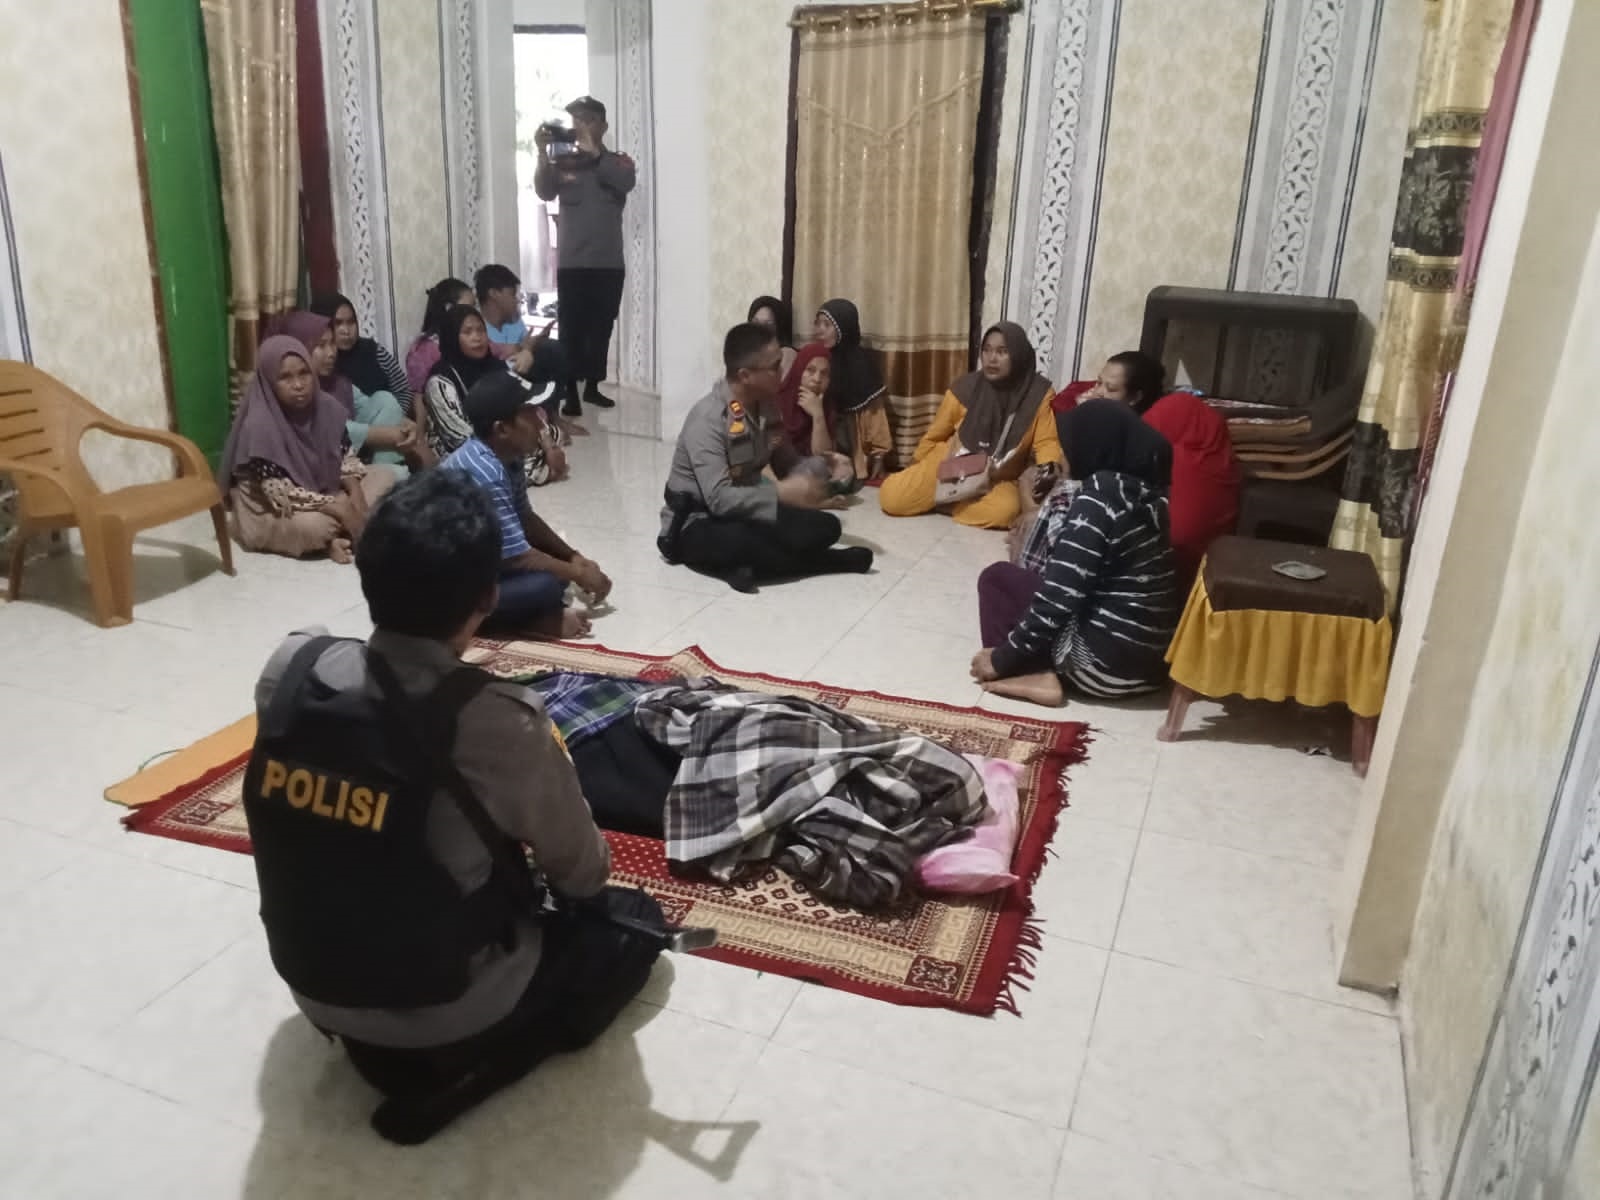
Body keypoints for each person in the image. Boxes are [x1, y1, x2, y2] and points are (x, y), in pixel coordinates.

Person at [245, 467, 666, 1144]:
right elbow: (582, 873)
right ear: (488, 598)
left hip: (313, 983)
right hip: (448, 1002)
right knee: (634, 925)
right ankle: (480, 1065)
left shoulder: (291, 671)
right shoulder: (497, 720)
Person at [971, 399, 1180, 706]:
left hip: (1098, 668)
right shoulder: (1149, 495)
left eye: (1066, 446)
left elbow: (1059, 595)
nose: (1062, 456)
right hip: (1150, 670)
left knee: (997, 579)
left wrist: (1004, 659)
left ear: (1094, 447)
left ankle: (1034, 673)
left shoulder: (1099, 498)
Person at [658, 322, 874, 592]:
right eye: (774, 367)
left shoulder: (766, 406)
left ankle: (743, 567)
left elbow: (789, 463)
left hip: (748, 511)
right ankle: (827, 562)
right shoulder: (708, 419)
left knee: (826, 527)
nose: (782, 371)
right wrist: (781, 493)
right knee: (741, 542)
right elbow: (720, 500)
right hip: (696, 520)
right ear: (745, 375)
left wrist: (826, 466)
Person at [441, 373, 609, 638]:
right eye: (529, 414)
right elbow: (517, 557)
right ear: (502, 429)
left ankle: (528, 619)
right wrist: (578, 573)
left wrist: (573, 557)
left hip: (476, 567)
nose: (541, 422)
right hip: (440, 586)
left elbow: (525, 517)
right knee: (546, 585)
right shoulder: (486, 472)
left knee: (554, 576)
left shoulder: (508, 456)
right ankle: (521, 624)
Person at [220, 335, 397, 562]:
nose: (298, 385)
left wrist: (356, 494)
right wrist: (341, 508)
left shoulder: (326, 408)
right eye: (285, 377)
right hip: (274, 508)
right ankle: (333, 538)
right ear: (269, 381)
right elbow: (285, 495)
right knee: (315, 527)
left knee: (385, 477)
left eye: (304, 373)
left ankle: (338, 537)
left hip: (325, 489)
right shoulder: (259, 426)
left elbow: (345, 457)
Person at [1072, 350, 1240, 586]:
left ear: (1135, 397)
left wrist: (1087, 417)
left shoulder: (1170, 412)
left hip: (1178, 559)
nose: (1097, 392)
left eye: (1110, 389)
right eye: (1098, 382)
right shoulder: (1161, 418)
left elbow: (1098, 472)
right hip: (1203, 552)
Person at [879, 322, 1061, 530]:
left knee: (1006, 512)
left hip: (999, 475)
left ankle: (950, 502)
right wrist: (917, 465)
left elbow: (1046, 442)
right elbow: (935, 434)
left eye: (1002, 352)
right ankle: (956, 496)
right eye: (987, 350)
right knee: (891, 498)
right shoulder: (965, 388)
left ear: (1018, 355)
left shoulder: (1037, 394)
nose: (992, 359)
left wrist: (1048, 470)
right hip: (952, 464)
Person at [535, 95, 635, 417]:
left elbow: (625, 182)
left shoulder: (618, 162)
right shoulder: (564, 161)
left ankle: (592, 386)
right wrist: (541, 153)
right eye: (576, 120)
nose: (580, 126)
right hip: (573, 264)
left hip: (608, 263)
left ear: (603, 126)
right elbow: (544, 191)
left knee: (601, 326)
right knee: (571, 328)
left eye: (587, 120)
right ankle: (571, 393)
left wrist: (595, 153)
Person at [422, 305, 567, 485]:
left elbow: (527, 408)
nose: (477, 337)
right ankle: (533, 465)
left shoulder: (495, 366)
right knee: (510, 462)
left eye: (481, 330)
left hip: (502, 436)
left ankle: (532, 463)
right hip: (462, 450)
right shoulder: (440, 381)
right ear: (452, 337)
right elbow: (459, 437)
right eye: (468, 332)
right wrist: (521, 445)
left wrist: (548, 445)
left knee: (552, 433)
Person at [271, 310, 423, 473]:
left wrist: (405, 425)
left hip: (354, 456)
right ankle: (388, 473)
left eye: (332, 343)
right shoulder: (294, 392)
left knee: (385, 398)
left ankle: (385, 470)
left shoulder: (338, 383)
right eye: (321, 345)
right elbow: (334, 428)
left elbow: (370, 405)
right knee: (400, 475)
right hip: (324, 466)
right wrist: (389, 435)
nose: (331, 353)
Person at [810, 299, 893, 481]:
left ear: (843, 328)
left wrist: (879, 455)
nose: (820, 331)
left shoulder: (861, 364)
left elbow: (875, 416)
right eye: (818, 324)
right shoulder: (818, 359)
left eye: (827, 325)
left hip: (854, 440)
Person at [310, 291, 413, 412]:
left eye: (351, 322)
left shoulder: (373, 351)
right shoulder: (318, 362)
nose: (346, 331)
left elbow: (403, 390)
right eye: (338, 323)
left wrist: (393, 415)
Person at [775, 342, 857, 494]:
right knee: (820, 468)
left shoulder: (827, 405)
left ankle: (808, 491)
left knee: (844, 468)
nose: (817, 379)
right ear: (799, 370)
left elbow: (823, 453)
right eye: (810, 370)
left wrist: (818, 414)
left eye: (824, 373)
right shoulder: (778, 400)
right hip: (777, 470)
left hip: (806, 467)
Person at [748, 295, 797, 377]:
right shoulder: (747, 351)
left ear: (779, 327)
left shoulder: (786, 353)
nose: (760, 329)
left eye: (767, 325)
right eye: (755, 323)